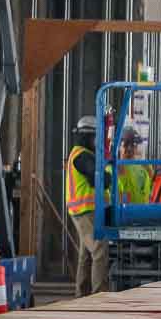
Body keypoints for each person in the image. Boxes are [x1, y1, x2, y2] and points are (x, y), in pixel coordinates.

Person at [65, 114, 109, 296]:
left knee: (86, 255)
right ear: (88, 136)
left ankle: (81, 294)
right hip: (84, 211)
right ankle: (99, 294)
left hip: (85, 211)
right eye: (96, 137)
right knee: (100, 249)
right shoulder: (81, 156)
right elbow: (100, 179)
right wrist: (106, 176)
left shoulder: (84, 154)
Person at [116, 126, 152, 205]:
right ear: (119, 147)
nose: (129, 148)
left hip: (144, 212)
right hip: (124, 213)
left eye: (132, 144)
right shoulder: (115, 167)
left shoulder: (145, 166)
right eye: (126, 144)